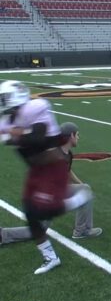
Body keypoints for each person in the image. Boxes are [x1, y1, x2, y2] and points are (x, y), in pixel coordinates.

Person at [0, 81, 93, 274]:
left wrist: (9, 136)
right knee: (30, 212)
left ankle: (75, 201)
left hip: (52, 167)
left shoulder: (35, 108)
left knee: (44, 212)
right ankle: (50, 257)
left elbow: (37, 138)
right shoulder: (7, 120)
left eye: (3, 98)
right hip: (36, 169)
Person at [0, 122, 102, 245]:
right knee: (39, 229)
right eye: (77, 135)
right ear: (71, 136)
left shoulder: (67, 154)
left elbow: (67, 172)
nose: (79, 138)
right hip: (45, 194)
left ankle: (82, 230)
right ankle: (3, 235)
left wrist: (81, 184)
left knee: (85, 189)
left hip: (56, 190)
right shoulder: (53, 154)